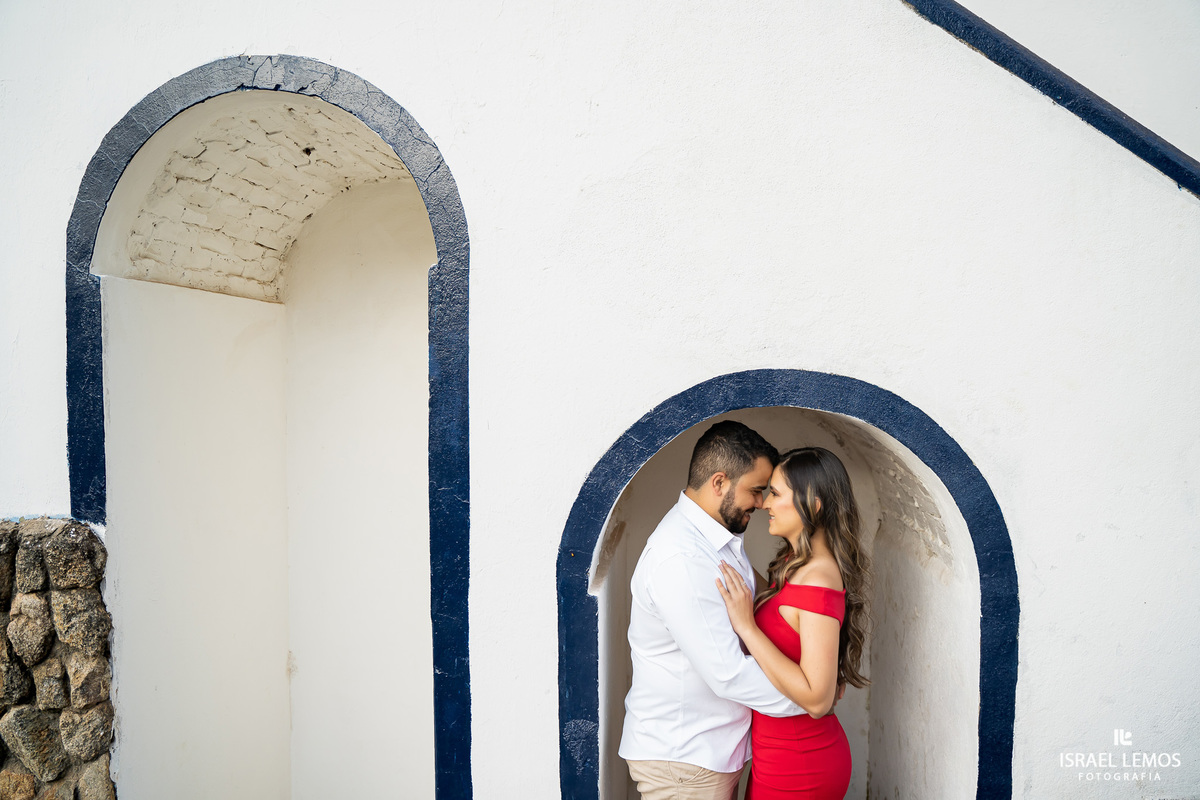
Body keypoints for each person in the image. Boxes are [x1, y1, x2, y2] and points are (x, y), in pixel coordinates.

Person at [620, 421, 817, 800]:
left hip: (710, 751)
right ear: (719, 482)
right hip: (685, 759)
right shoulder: (682, 558)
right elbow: (727, 674)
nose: (761, 504)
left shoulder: (718, 538)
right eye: (757, 491)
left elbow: (764, 599)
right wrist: (810, 699)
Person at [715, 447, 871, 800]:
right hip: (778, 757)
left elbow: (818, 699)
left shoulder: (818, 576)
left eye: (775, 493)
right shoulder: (798, 565)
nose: (766, 503)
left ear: (812, 503)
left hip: (801, 766)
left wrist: (748, 629)